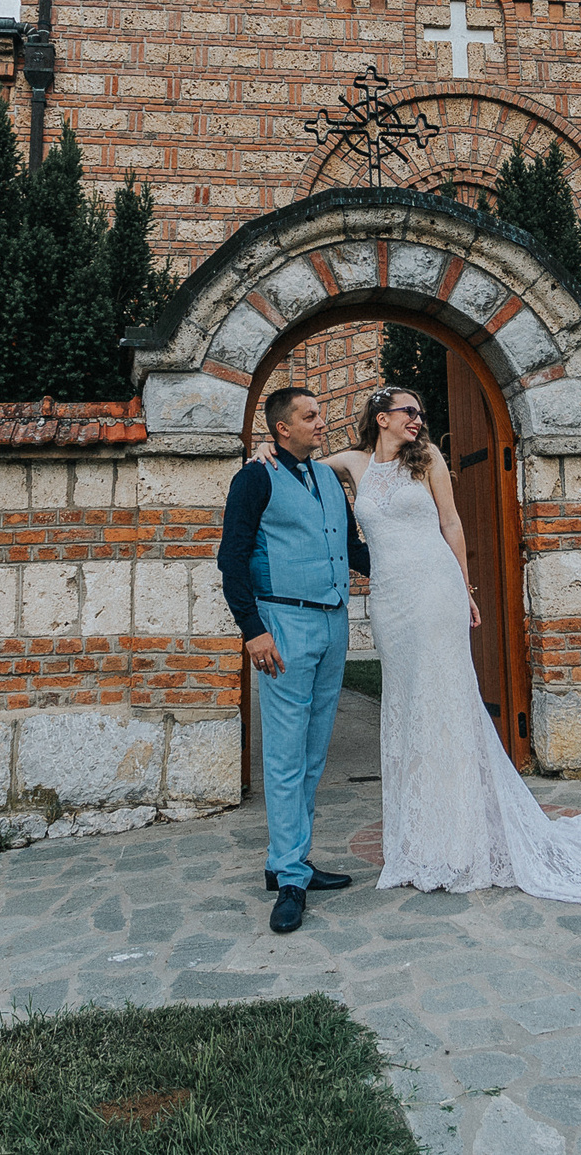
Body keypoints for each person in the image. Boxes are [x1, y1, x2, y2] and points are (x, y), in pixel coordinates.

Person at [255, 385, 581, 902]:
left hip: (436, 590)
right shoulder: (349, 464)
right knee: (409, 706)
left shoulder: (427, 458)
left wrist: (465, 587)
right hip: (390, 602)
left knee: (447, 700)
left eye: (421, 412)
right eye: (409, 411)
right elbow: (295, 455)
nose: (418, 420)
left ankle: (462, 831)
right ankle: (420, 830)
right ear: (382, 417)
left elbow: (451, 523)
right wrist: (264, 449)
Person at [216, 386, 372, 935]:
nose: (320, 423)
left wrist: (416, 572)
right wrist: (253, 631)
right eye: (310, 416)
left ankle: (293, 860)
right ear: (283, 427)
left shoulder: (328, 478)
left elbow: (352, 548)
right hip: (281, 624)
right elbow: (230, 558)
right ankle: (287, 876)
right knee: (283, 755)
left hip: (332, 623)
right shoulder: (254, 478)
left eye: (320, 415)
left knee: (311, 752)